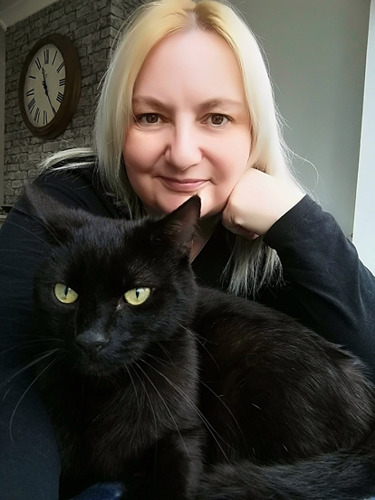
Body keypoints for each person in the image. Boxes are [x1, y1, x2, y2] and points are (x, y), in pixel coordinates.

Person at [0, 0, 374, 498]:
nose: (181, 153)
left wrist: (302, 224)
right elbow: (11, 390)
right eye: (150, 116)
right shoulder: (66, 202)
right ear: (119, 124)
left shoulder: (274, 246)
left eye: (217, 118)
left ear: (253, 133)